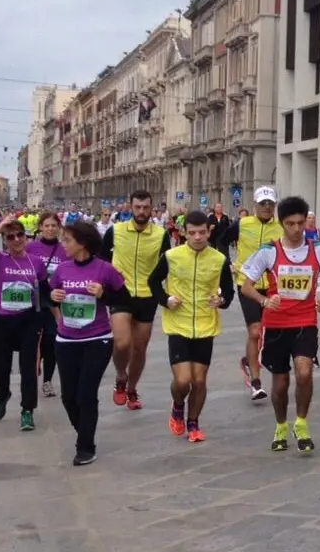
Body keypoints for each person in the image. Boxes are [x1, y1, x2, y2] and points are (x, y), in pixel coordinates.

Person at [238, 196, 320, 452]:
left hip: (305, 322)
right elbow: (246, 286)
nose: (296, 229)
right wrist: (264, 300)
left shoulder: (319, 250)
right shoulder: (268, 252)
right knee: (280, 384)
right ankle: (281, 425)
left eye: (301, 223)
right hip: (277, 325)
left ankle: (301, 423)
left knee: (304, 372)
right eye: (290, 224)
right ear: (282, 224)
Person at [150, 211, 236, 443]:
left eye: (202, 232)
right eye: (192, 233)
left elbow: (228, 292)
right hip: (178, 324)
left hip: (205, 325)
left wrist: (222, 301)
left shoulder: (219, 260)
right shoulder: (171, 256)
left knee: (199, 381)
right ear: (184, 233)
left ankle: (194, 422)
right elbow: (153, 281)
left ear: (209, 231)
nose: (197, 237)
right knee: (183, 381)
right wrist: (166, 299)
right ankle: (178, 405)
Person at [48, 221, 128, 466]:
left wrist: (104, 294)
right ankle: (84, 431)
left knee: (86, 392)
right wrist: (53, 297)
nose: (63, 244)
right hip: (66, 339)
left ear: (82, 244)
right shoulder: (62, 269)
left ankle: (85, 446)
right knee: (68, 397)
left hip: (97, 339)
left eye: (67, 240)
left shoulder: (104, 269)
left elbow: (126, 298)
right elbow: (48, 295)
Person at [0, 214, 50, 431]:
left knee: (29, 369)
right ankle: (2, 395)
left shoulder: (37, 263)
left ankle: (27, 410)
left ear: (26, 237)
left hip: (29, 321)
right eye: (10, 236)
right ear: (5, 240)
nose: (16, 240)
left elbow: (46, 293)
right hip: (3, 321)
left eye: (20, 235)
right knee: (1, 369)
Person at [100, 190, 172, 411]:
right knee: (122, 343)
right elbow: (102, 260)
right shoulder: (115, 231)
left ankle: (131, 388)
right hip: (121, 292)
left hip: (147, 296)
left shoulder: (161, 235)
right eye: (138, 207)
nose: (142, 212)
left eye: (146, 208)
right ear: (130, 207)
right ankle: (121, 375)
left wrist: (168, 294)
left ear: (152, 209)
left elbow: (169, 266)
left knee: (140, 348)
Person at [211, 186, 279, 402]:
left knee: (272, 335)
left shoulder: (281, 228)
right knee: (255, 331)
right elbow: (220, 240)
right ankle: (256, 381)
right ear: (255, 206)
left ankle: (248, 360)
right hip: (246, 284)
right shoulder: (242, 224)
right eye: (262, 204)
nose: (267, 207)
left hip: (273, 287)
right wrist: (227, 262)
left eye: (270, 204)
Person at [26, 213, 67, 398]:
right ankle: (35, 368)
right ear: (40, 227)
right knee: (34, 342)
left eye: (53, 225)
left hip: (56, 303)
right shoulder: (31, 248)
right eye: (47, 225)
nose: (50, 229)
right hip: (33, 302)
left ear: (59, 227)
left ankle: (48, 381)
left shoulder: (65, 249)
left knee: (51, 343)